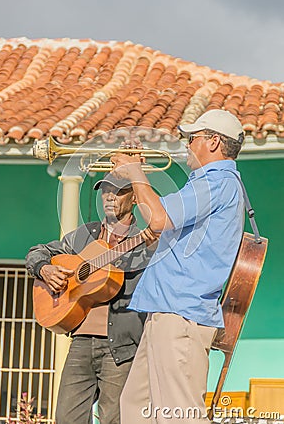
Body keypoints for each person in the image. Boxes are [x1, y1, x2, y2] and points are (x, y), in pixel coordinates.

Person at [111, 109, 246, 423]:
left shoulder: (218, 181)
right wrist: (136, 182)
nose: (187, 144)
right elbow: (165, 233)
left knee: (179, 414)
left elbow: (160, 218)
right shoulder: (208, 183)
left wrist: (135, 173)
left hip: (181, 314)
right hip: (169, 311)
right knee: (136, 408)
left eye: (192, 138)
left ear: (213, 142)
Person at [26, 173, 157, 424]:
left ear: (134, 199)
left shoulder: (143, 241)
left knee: (113, 419)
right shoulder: (86, 234)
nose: (109, 196)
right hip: (81, 342)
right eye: (105, 190)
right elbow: (39, 251)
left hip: (121, 345)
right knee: (66, 418)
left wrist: (153, 248)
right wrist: (45, 268)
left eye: (118, 191)